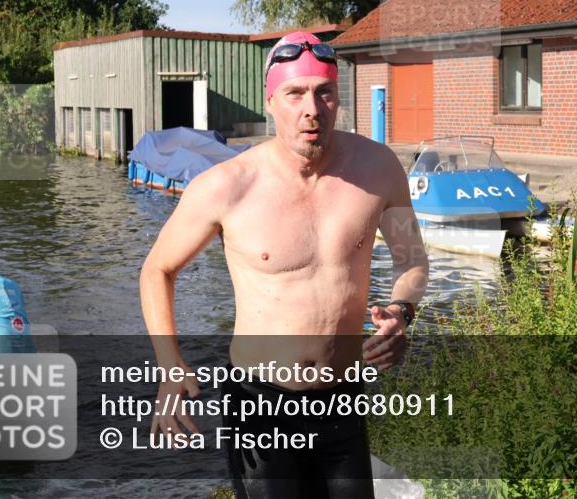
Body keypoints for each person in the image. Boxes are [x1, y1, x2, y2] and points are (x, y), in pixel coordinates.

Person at [140, 31, 429, 498]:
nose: (310, 108)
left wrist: (401, 312)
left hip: (342, 398)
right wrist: (170, 366)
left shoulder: (378, 170)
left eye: (324, 92)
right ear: (270, 100)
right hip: (259, 404)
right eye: (295, 93)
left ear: (338, 100)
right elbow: (157, 270)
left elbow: (412, 260)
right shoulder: (227, 186)